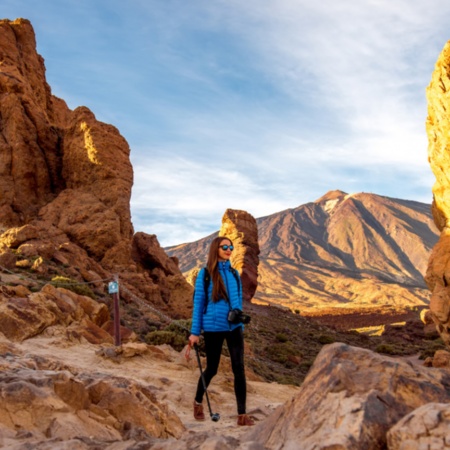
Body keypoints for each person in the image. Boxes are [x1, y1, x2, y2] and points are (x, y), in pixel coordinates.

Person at [188, 236, 254, 426]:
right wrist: (194, 332)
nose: (229, 249)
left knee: (239, 368)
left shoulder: (234, 274)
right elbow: (198, 304)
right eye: (224, 246)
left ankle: (242, 415)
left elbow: (238, 301)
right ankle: (198, 402)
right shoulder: (206, 274)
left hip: (234, 328)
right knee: (212, 369)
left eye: (231, 246)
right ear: (215, 249)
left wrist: (239, 318)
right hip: (213, 328)